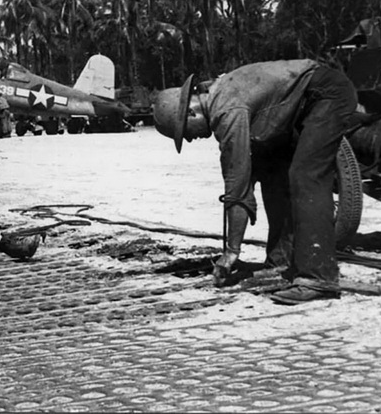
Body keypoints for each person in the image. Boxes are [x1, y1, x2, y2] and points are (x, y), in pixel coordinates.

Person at [153, 60, 357, 305]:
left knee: (306, 176)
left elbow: (237, 186)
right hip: (297, 105)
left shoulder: (226, 111)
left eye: (186, 132)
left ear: (191, 112)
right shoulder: (221, 95)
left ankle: (319, 277)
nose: (191, 139)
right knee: (273, 173)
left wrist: (231, 252)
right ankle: (281, 261)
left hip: (325, 95)